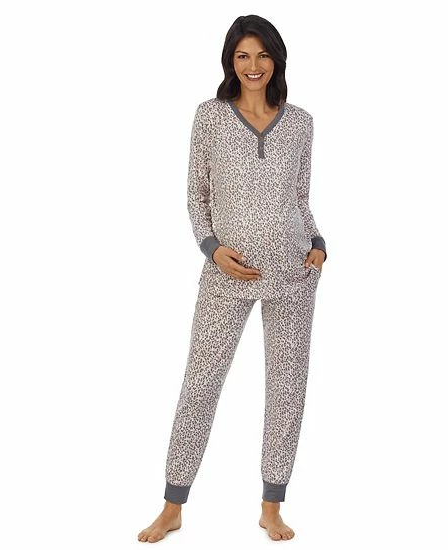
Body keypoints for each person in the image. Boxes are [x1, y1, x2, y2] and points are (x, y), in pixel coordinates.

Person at [138, 14, 327, 544]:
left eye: (262, 55)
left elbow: (300, 198)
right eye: (243, 56)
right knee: (201, 383)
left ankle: (271, 507)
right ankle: (172, 505)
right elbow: (196, 195)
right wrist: (212, 248)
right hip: (227, 275)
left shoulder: (301, 123)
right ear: (230, 61)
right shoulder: (210, 117)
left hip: (294, 273)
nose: (253, 65)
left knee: (286, 389)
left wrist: (318, 245)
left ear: (276, 60)